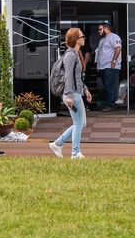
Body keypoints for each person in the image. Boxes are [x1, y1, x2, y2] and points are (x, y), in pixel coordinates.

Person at [49, 28, 93, 159]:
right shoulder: (70, 55)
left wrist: (85, 89)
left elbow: (77, 77)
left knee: (80, 123)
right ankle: (75, 153)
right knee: (79, 123)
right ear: (75, 39)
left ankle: (58, 144)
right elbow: (68, 76)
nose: (84, 38)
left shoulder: (76, 53)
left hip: (76, 92)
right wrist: (68, 95)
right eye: (82, 36)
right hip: (72, 94)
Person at [97, 22, 122, 111]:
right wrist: (98, 66)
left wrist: (113, 61)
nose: (98, 31)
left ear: (106, 28)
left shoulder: (114, 37)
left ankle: (111, 105)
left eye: (100, 29)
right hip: (103, 66)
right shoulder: (102, 40)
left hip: (110, 66)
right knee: (107, 85)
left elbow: (118, 48)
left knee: (109, 85)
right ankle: (112, 103)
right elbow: (100, 53)